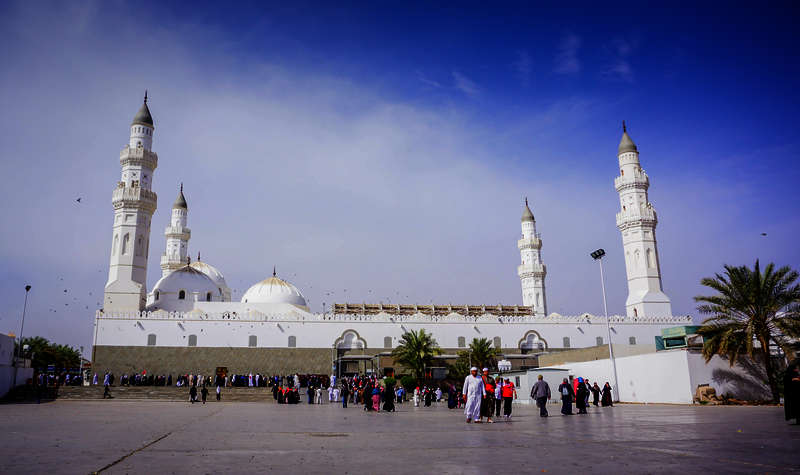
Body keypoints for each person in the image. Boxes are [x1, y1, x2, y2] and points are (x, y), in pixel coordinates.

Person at [784, 352, 800, 425]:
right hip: (794, 389)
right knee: (795, 404)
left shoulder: (793, 364)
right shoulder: (793, 365)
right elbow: (788, 376)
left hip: (794, 389)